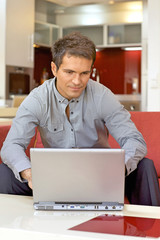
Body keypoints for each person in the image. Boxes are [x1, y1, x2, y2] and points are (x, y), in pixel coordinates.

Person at [0, 32, 160, 206]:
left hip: (101, 177)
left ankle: (151, 228)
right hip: (54, 176)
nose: (77, 81)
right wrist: (30, 174)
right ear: (54, 69)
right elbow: (11, 146)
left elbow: (134, 140)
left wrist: (118, 169)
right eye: (69, 72)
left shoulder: (102, 96)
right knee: (4, 173)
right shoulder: (37, 99)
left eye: (84, 73)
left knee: (145, 166)